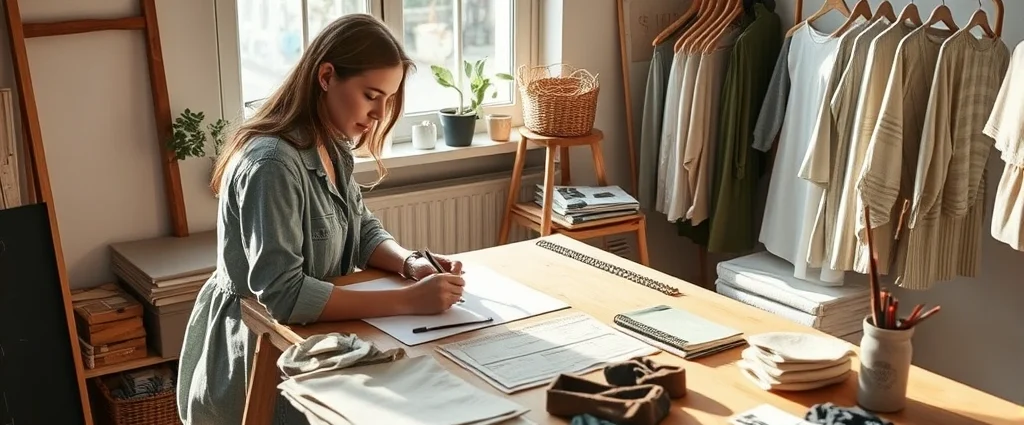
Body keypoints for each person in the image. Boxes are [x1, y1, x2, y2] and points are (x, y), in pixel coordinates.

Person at [176, 14, 467, 425]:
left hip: (308, 343)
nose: (380, 114)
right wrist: (408, 301)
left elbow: (362, 228)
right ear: (326, 76)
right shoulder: (272, 164)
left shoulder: (332, 143)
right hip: (254, 355)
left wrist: (409, 262)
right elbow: (283, 295)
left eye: (388, 99)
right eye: (371, 95)